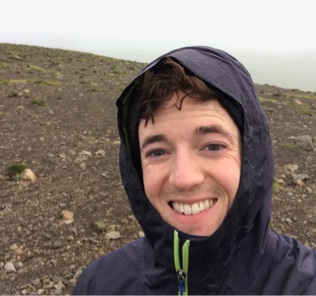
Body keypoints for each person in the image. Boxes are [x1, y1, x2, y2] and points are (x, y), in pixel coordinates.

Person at [72, 46, 316, 295]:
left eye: (213, 146)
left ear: (251, 155)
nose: (184, 179)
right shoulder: (98, 284)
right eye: (158, 151)